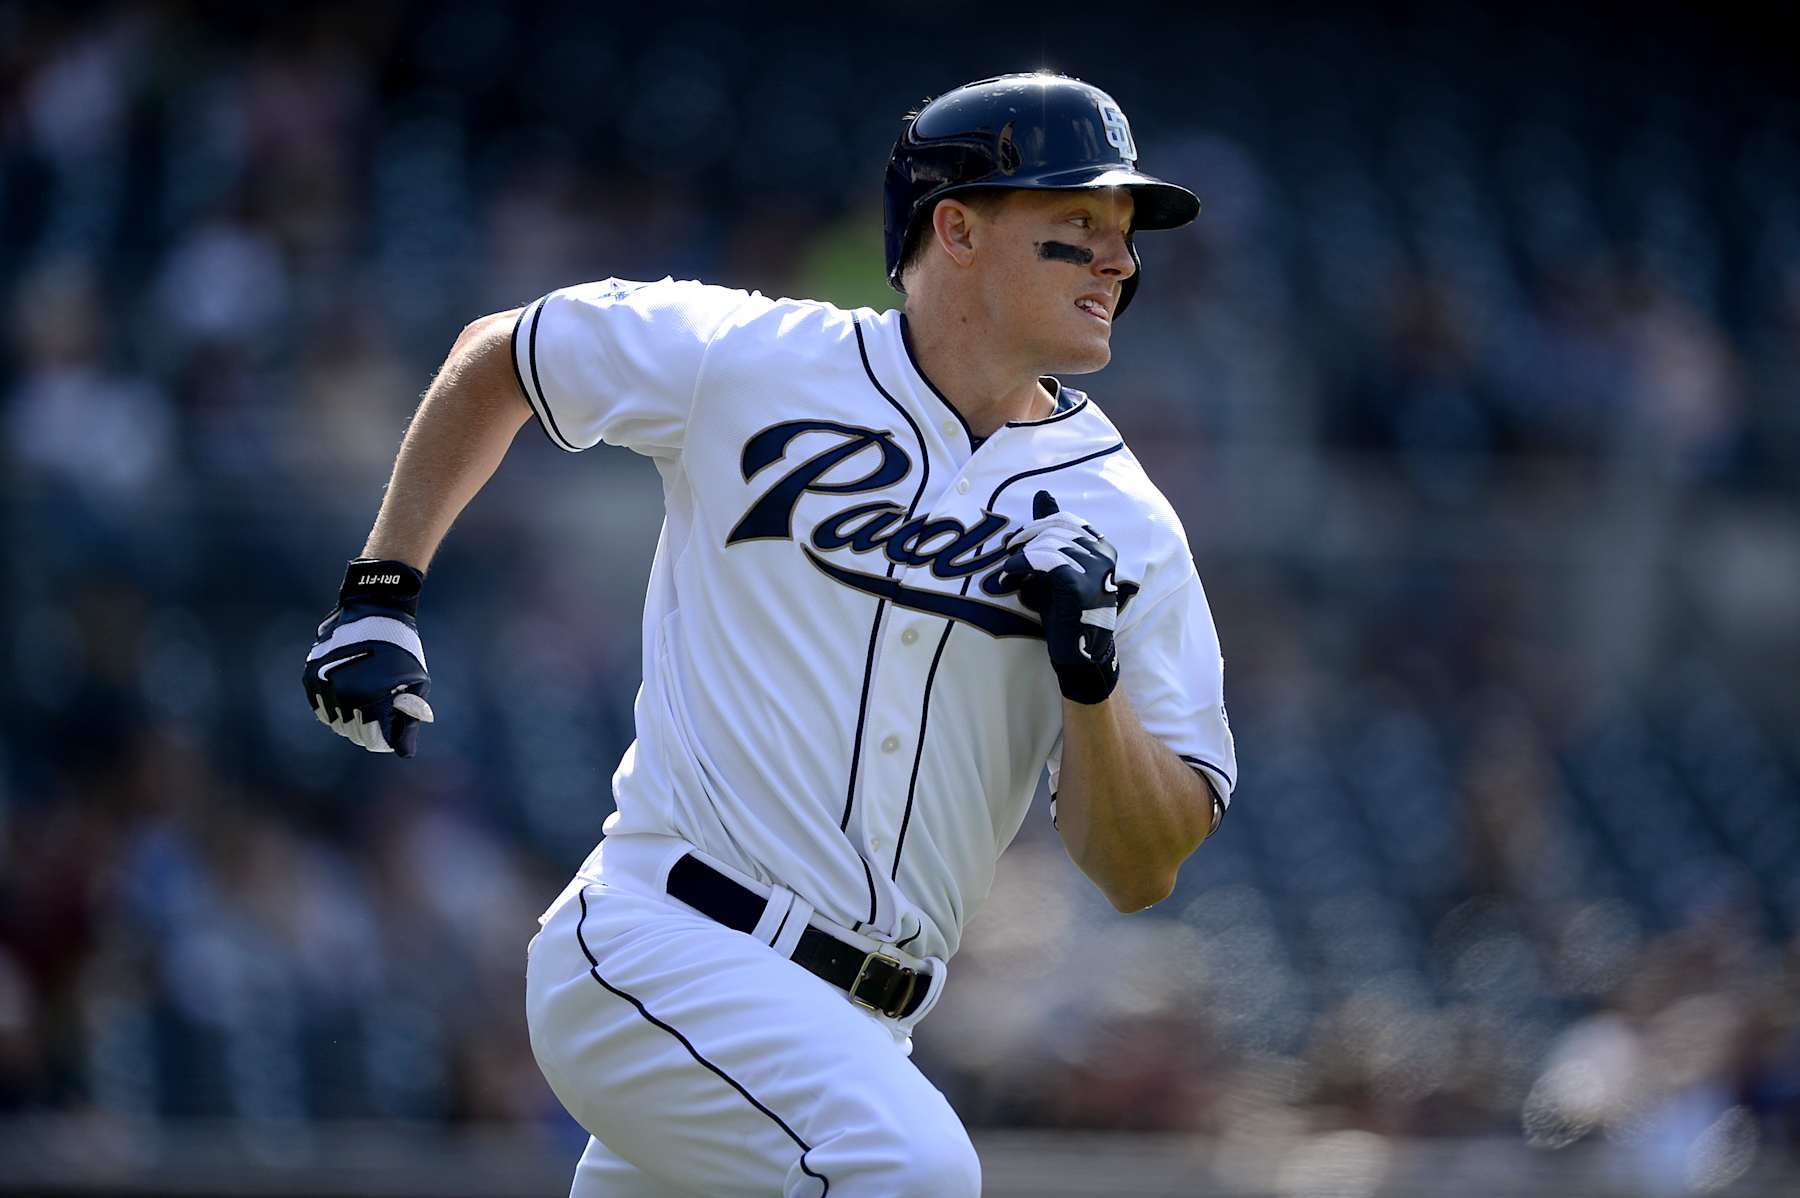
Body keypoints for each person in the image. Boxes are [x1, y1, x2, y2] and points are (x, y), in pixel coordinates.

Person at [302, 72, 1236, 1198]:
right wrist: (380, 591)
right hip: (663, 940)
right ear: (958, 227)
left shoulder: (1126, 521)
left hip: (855, 1030)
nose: (1119, 261)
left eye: (1124, 235)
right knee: (911, 1170)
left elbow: (1140, 863)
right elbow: (507, 354)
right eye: (1077, 226)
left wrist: (1091, 690)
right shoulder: (752, 359)